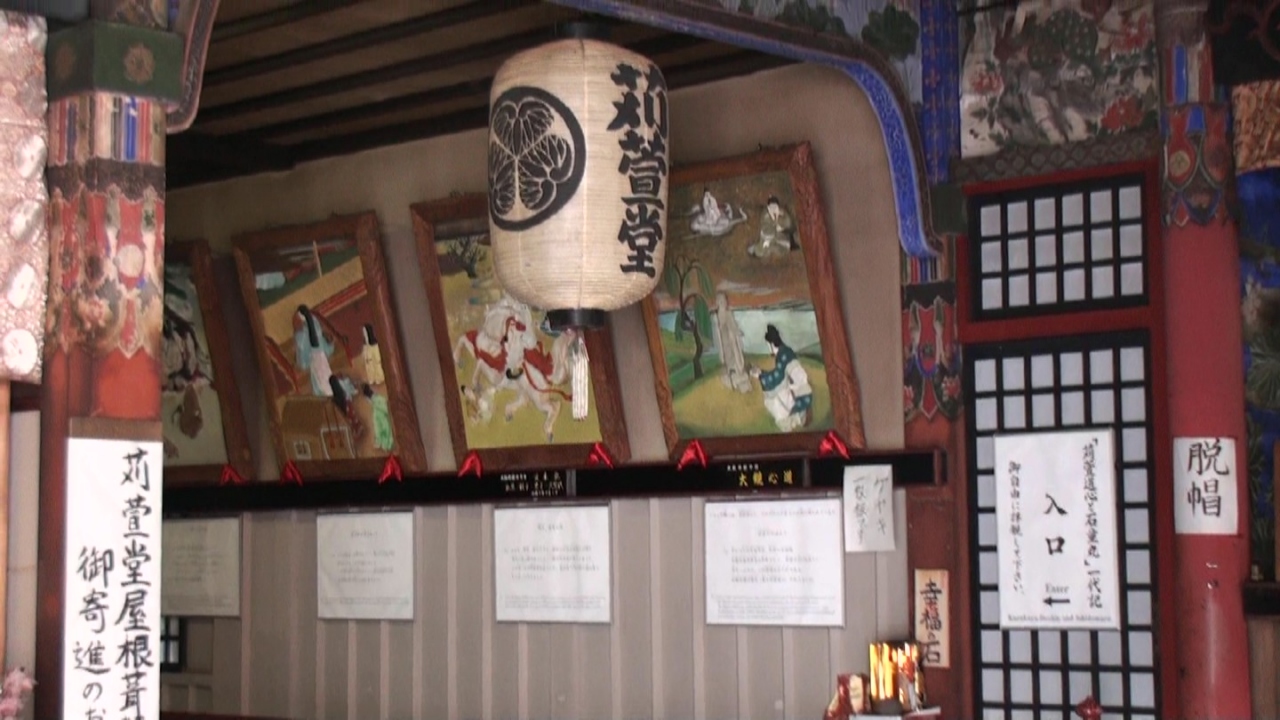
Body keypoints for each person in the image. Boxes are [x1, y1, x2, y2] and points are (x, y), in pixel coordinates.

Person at [750, 323, 813, 432]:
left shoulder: (783, 354)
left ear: (771, 344)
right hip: (797, 386)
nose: (768, 348)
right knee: (777, 392)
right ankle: (792, 418)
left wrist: (760, 375)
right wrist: (762, 373)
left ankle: (792, 419)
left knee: (774, 397)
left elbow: (778, 377)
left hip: (799, 389)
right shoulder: (785, 351)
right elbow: (780, 373)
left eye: (768, 345)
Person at [294, 304, 335, 396]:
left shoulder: (304, 359)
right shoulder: (326, 349)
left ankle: (305, 316)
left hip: (313, 357)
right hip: (319, 355)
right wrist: (329, 339)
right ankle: (306, 316)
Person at [714, 293, 751, 393]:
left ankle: (742, 382)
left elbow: (732, 326)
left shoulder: (728, 313)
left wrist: (737, 332)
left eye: (725, 300)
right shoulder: (717, 316)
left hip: (732, 342)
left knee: (737, 362)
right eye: (722, 301)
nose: (725, 302)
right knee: (731, 362)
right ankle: (736, 380)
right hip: (726, 344)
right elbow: (719, 333)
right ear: (718, 303)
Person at [364, 383, 395, 451]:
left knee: (383, 429)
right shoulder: (379, 399)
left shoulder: (376, 402)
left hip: (381, 418)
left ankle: (385, 444)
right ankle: (386, 443)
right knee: (385, 429)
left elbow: (385, 409)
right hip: (383, 417)